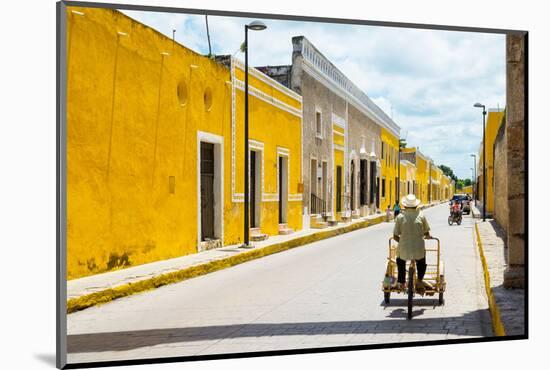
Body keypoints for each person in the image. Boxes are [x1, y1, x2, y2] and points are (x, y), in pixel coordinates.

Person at [393, 194, 432, 294]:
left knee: (400, 261)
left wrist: (402, 241)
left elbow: (395, 236)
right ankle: (419, 280)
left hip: (404, 249)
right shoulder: (421, 215)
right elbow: (426, 232)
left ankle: (401, 281)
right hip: (418, 249)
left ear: (405, 206)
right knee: (422, 261)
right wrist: (427, 236)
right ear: (416, 205)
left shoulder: (400, 217)